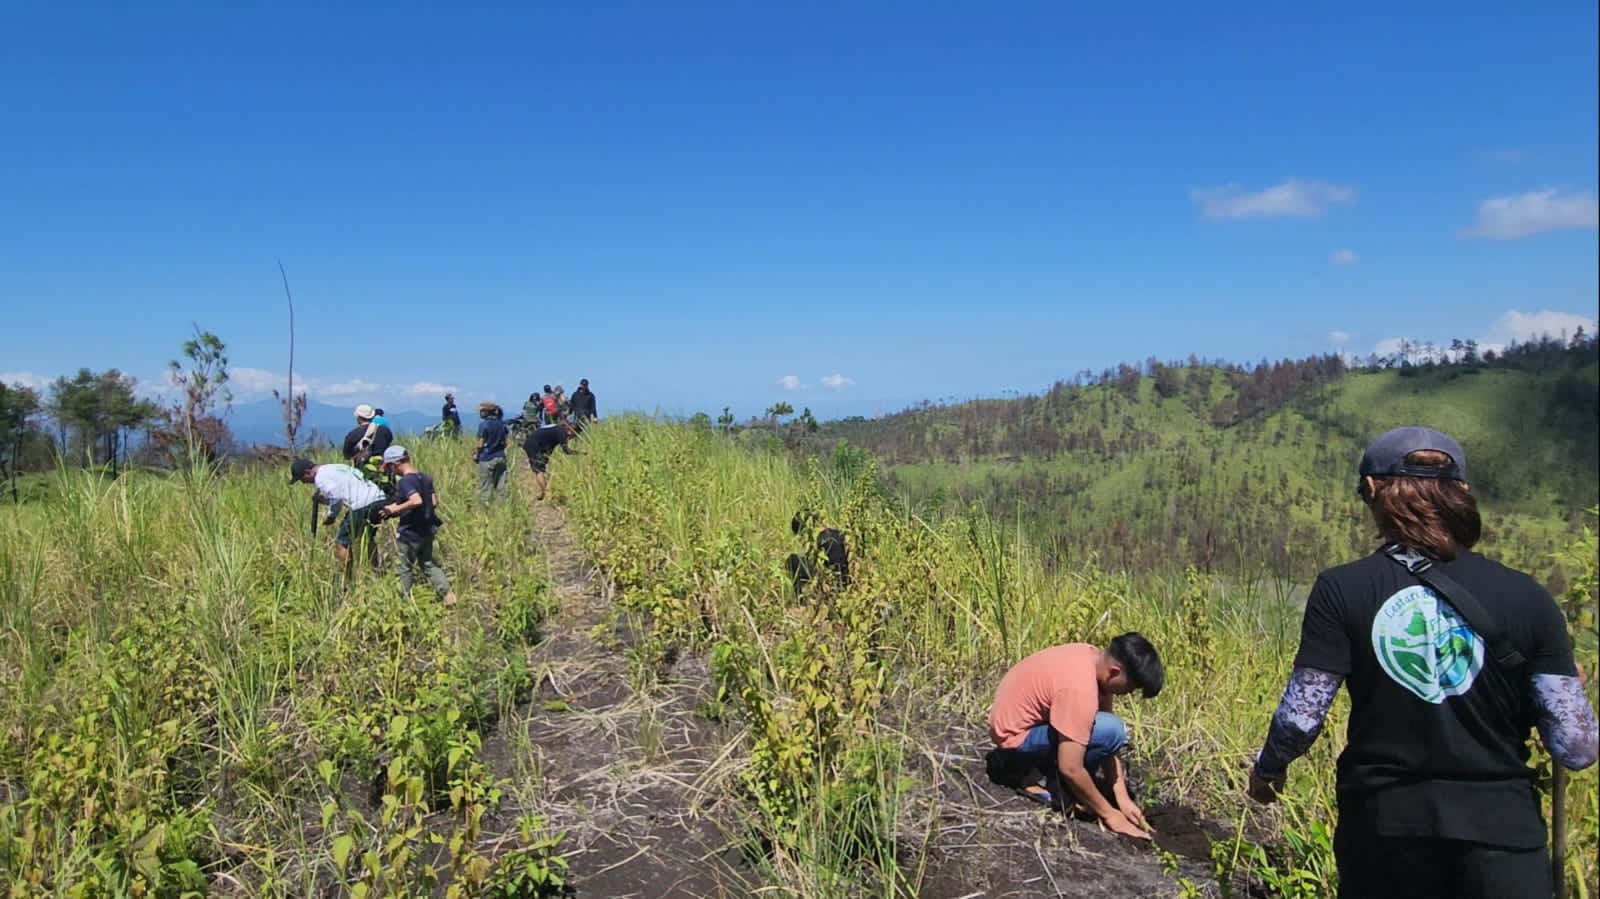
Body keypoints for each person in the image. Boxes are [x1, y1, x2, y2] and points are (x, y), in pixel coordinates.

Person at [1247, 426, 1599, 899]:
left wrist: (1269, 771)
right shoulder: (1529, 596)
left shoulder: (1342, 588)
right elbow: (1576, 748)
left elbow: (1301, 715)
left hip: (1385, 829)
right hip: (1503, 836)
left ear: (1371, 491)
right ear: (1463, 494)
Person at [986, 632, 1164, 841]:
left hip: (1024, 724)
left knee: (1110, 730)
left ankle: (1053, 778)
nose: (1127, 694)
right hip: (1014, 740)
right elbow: (1070, 767)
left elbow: (1109, 739)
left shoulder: (1092, 659)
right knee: (1112, 730)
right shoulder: (1080, 690)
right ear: (1114, 672)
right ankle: (1028, 774)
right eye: (1129, 688)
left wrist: (1122, 797)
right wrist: (1111, 815)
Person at [377, 446, 457, 607]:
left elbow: (416, 500)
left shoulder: (406, 481)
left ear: (396, 464)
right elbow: (433, 502)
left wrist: (394, 509)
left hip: (410, 532)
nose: (391, 471)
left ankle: (404, 602)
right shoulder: (425, 477)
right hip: (427, 530)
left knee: (404, 567)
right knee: (427, 563)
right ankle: (448, 594)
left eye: (390, 467)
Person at [290, 457, 387, 575]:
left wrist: (331, 516)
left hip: (362, 505)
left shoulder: (320, 478)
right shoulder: (335, 467)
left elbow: (336, 498)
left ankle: (346, 580)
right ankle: (377, 572)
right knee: (367, 537)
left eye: (302, 479)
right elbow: (341, 494)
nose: (303, 482)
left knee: (342, 542)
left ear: (307, 472)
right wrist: (324, 501)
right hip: (378, 499)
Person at [785, 509, 850, 595]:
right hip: (846, 579)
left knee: (792, 560)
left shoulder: (819, 541)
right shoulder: (838, 533)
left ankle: (800, 600)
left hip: (834, 582)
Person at [522, 421, 579, 501]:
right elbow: (566, 451)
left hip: (539, 445)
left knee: (542, 468)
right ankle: (545, 493)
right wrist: (580, 453)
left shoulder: (558, 429)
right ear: (571, 431)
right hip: (533, 445)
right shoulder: (561, 433)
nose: (572, 438)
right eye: (574, 436)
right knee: (539, 470)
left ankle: (545, 491)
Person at [474, 402, 510, 502]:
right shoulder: (502, 424)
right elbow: (506, 443)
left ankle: (485, 511)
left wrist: (476, 455)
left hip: (487, 458)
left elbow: (480, 444)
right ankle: (503, 509)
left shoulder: (484, 424)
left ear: (486, 412)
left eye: (481, 411)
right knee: (502, 485)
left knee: (485, 487)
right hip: (501, 457)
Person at [342, 404, 394, 469]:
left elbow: (347, 455)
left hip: (362, 472)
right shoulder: (385, 430)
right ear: (372, 416)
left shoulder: (353, 434)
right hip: (383, 469)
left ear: (358, 418)